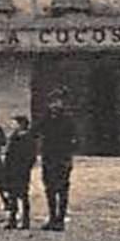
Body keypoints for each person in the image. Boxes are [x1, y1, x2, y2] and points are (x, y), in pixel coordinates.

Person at [36, 91, 76, 231]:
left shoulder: (68, 119)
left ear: (62, 103)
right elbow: (35, 131)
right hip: (48, 158)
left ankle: (60, 219)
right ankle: (52, 217)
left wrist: (68, 156)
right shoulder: (46, 118)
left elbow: (74, 138)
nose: (54, 105)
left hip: (62, 158)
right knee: (49, 189)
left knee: (62, 189)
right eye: (52, 102)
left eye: (57, 101)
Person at [0, 115, 38, 230]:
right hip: (11, 169)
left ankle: (25, 220)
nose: (13, 125)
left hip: (21, 171)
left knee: (22, 195)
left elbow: (31, 156)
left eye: (15, 123)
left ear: (21, 124)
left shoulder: (28, 138)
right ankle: (13, 219)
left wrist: (25, 168)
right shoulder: (14, 136)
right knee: (12, 195)